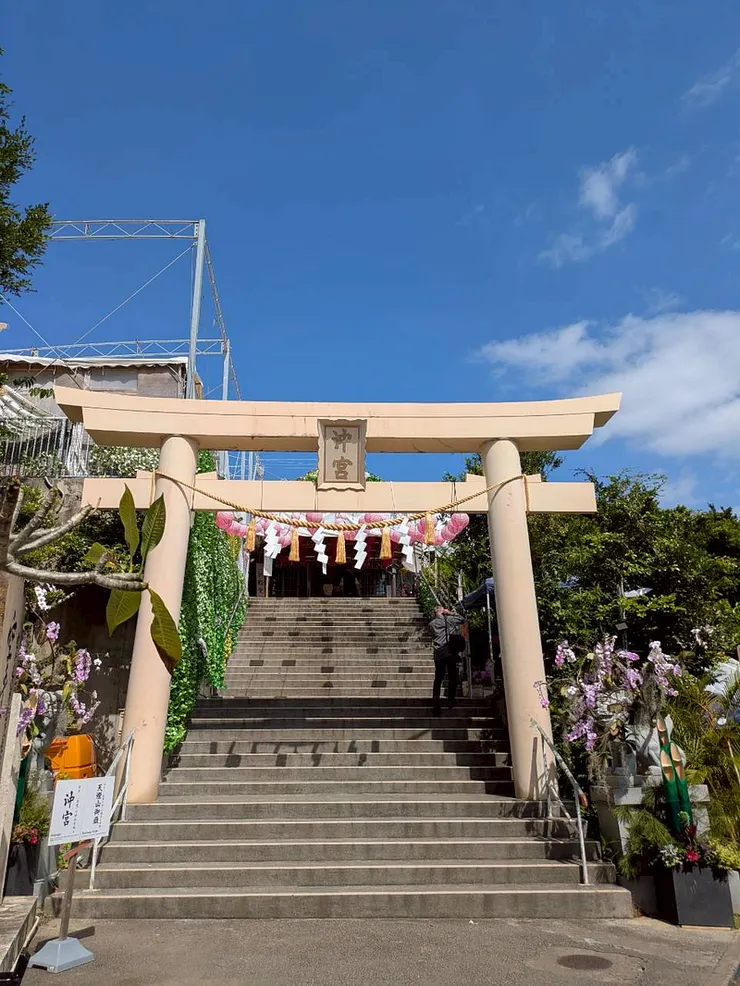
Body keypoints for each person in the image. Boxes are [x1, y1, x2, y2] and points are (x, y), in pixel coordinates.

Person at [428, 605, 465, 716]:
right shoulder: (448, 620)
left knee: (438, 678)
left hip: (438, 653)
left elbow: (432, 634)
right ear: (442, 611)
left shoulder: (431, 624)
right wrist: (450, 613)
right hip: (449, 652)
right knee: (452, 676)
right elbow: (462, 619)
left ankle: (436, 701)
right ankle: (451, 699)